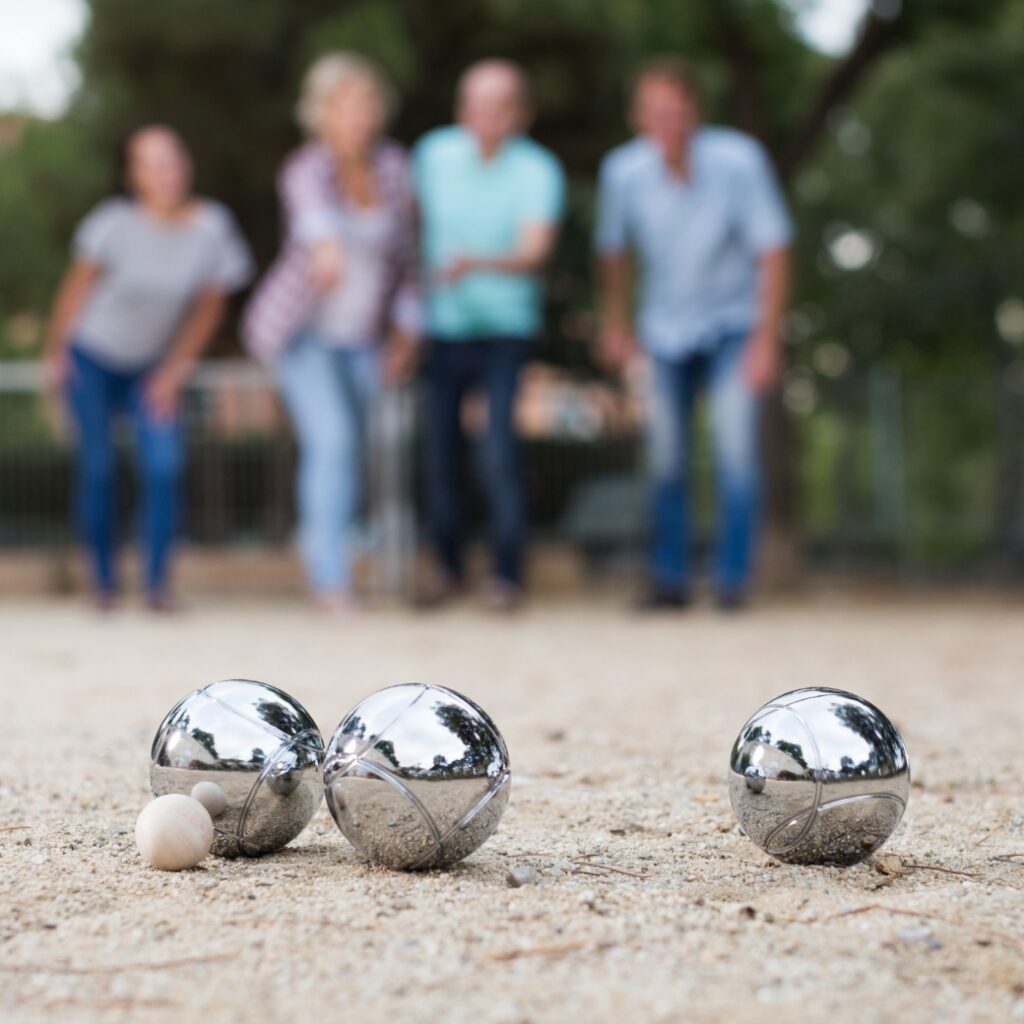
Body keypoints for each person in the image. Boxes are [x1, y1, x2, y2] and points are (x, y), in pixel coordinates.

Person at [595, 57, 792, 611]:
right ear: (638, 117)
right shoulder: (623, 172)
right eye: (655, 111)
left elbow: (774, 250)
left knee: (735, 451)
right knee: (665, 458)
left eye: (677, 111)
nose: (668, 123)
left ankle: (732, 581)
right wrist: (616, 324)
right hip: (663, 328)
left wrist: (766, 339)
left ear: (696, 113)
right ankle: (670, 579)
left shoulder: (740, 162)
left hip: (734, 324)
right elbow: (614, 252)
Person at [44, 125, 253, 611]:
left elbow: (210, 307)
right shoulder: (111, 224)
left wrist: (175, 371)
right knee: (98, 467)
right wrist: (55, 353)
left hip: (153, 368)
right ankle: (103, 582)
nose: (168, 171)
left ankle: (157, 585)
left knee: (164, 467)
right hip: (93, 358)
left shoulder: (212, 228)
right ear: (133, 176)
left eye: (174, 158)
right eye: (154, 163)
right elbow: (75, 290)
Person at [244, 53, 419, 613]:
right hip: (303, 334)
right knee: (333, 441)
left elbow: (410, 260)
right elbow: (314, 223)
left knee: (363, 448)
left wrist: (408, 332)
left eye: (365, 105)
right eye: (344, 106)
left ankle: (331, 550)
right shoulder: (306, 169)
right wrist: (325, 250)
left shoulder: (395, 169)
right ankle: (330, 579)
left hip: (364, 336)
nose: (357, 117)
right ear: (321, 114)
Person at [413, 59, 566, 612]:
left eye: (499, 105)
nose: (485, 116)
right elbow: (410, 227)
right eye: (476, 103)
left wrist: (474, 263)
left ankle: (506, 573)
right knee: (439, 452)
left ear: (521, 113)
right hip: (442, 327)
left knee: (498, 449)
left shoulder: (538, 169)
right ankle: (448, 567)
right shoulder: (432, 155)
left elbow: (535, 250)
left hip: (506, 328)